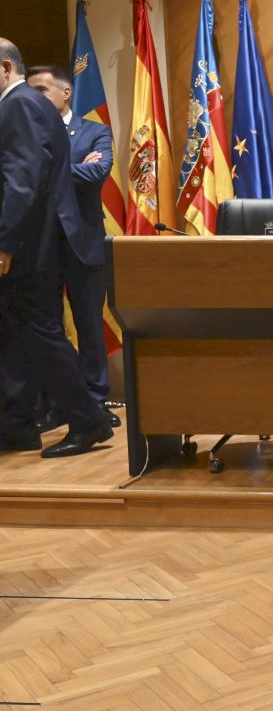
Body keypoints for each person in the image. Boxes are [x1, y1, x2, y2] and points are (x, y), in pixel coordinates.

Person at [0, 38, 112, 458]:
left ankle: (88, 419)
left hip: (26, 245)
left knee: (39, 331)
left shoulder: (20, 104)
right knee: (18, 334)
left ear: (6, 68)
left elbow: (22, 181)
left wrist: (5, 241)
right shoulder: (24, 104)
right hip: (30, 241)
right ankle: (18, 427)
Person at [25, 64, 119, 429]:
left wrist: (46, 171)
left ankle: (94, 402)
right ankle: (59, 403)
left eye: (41, 90)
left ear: (66, 93)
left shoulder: (95, 131)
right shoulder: (27, 132)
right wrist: (73, 168)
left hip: (83, 242)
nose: (33, 98)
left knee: (89, 325)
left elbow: (98, 173)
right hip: (41, 244)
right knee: (47, 327)